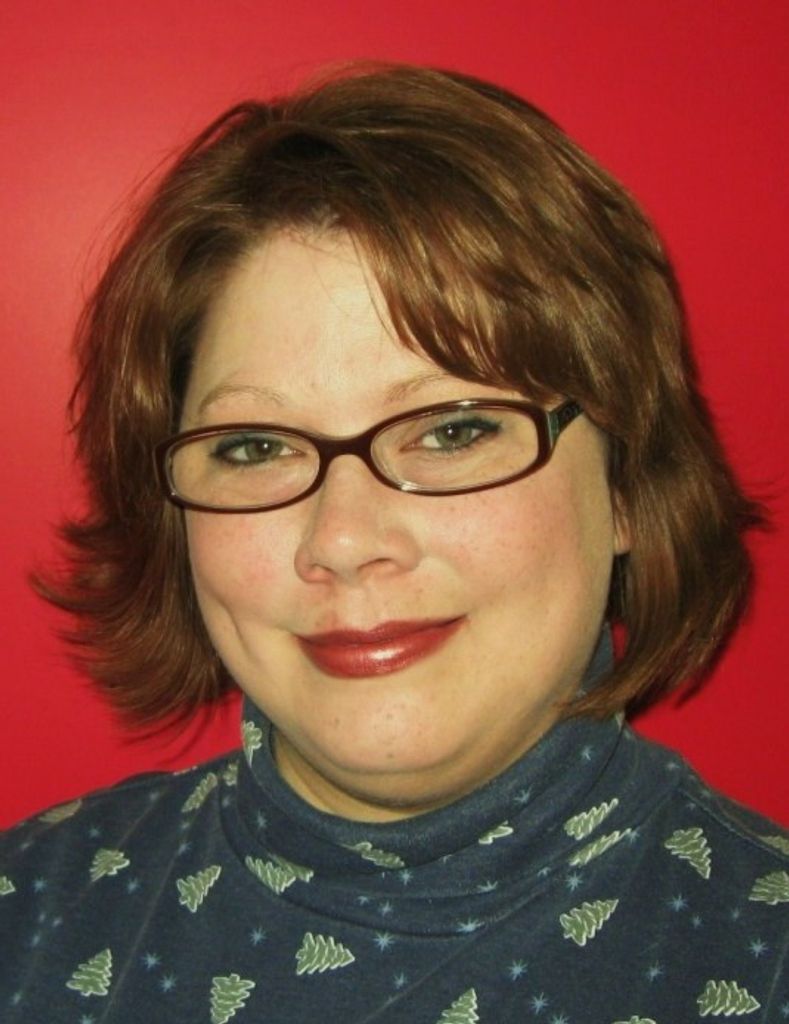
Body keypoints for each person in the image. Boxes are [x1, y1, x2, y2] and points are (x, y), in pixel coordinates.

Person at [1, 63, 786, 1023]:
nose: (342, 540)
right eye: (253, 447)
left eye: (453, 430)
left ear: (624, 482)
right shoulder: (27, 915)